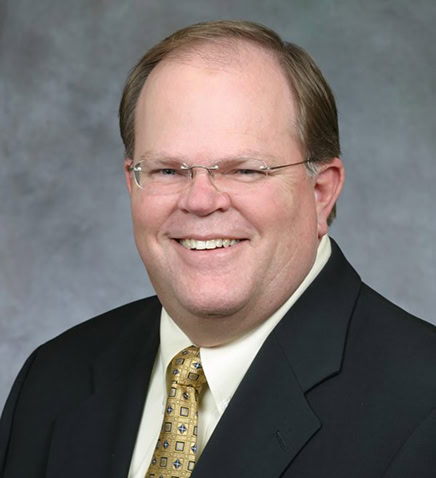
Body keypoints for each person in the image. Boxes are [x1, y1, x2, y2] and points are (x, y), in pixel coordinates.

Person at [1, 20, 435, 478]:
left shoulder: (423, 407)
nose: (201, 200)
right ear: (132, 183)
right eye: (168, 170)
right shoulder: (52, 380)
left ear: (320, 192)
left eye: (245, 170)